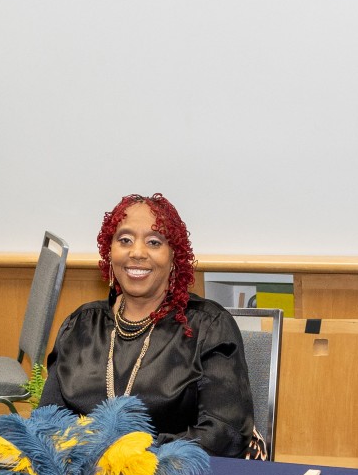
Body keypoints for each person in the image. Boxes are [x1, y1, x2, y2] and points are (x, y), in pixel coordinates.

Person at [42, 193, 258, 458]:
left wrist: (135, 457)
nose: (137, 252)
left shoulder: (208, 327)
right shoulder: (80, 326)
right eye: (124, 240)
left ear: (173, 258)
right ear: (110, 253)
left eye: (154, 242)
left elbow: (225, 433)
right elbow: (46, 424)